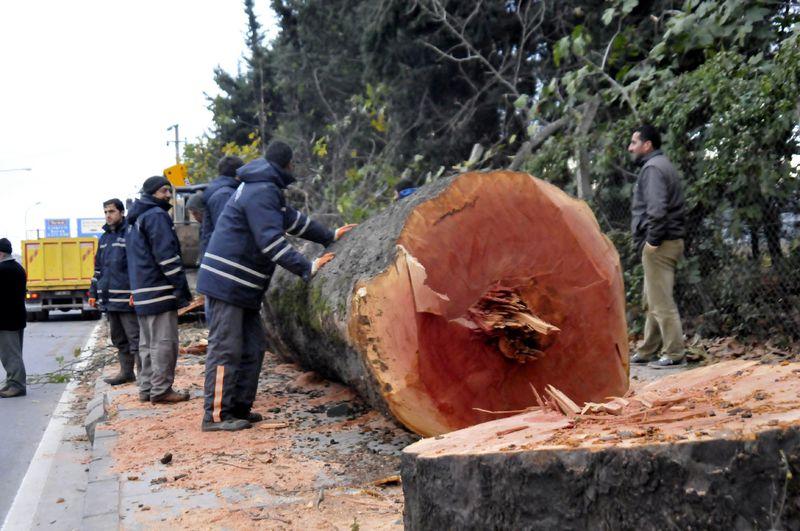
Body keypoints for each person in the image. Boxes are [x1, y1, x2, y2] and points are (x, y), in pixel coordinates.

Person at [196, 141, 356, 431]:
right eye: (293, 165)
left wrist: (329, 235)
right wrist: (307, 267)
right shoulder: (261, 189)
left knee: (253, 347)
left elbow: (290, 219)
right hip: (227, 283)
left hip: (243, 286)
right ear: (287, 165)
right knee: (226, 349)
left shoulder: (265, 188)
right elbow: (270, 241)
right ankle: (215, 416)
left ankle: (238, 409)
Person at [127, 176, 193, 403]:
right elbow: (167, 256)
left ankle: (146, 388)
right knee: (165, 342)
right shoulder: (156, 216)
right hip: (159, 290)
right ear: (153, 192)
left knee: (146, 344)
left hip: (142, 291)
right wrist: (181, 288)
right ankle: (162, 390)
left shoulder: (135, 219)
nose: (168, 196)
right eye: (165, 191)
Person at [627, 124, 687, 368]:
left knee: (661, 302)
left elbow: (657, 210)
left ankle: (674, 353)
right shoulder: (661, 165)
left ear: (647, 145)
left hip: (660, 244)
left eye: (634, 143)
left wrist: (652, 241)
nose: (630, 148)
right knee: (653, 298)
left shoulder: (652, 169)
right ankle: (647, 350)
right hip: (666, 242)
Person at [90, 199, 141, 385]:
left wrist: (136, 292)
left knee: (135, 338)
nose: (108, 215)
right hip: (109, 299)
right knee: (119, 339)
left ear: (121, 212)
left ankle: (145, 377)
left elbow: (137, 266)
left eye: (111, 211)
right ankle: (127, 373)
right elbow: (98, 268)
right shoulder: (104, 238)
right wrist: (93, 293)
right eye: (105, 212)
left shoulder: (130, 233)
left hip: (127, 298)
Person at [199, 155, 244, 320]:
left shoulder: (220, 191)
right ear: (238, 174)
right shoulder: (224, 195)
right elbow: (227, 233)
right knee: (222, 324)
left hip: (216, 265)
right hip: (222, 268)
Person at [0, 238, 27, 398]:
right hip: (16, 317)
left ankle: (17, 385)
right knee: (14, 353)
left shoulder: (3, 269)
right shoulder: (18, 267)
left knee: (10, 355)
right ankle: (11, 383)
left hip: (6, 320)